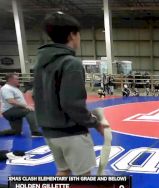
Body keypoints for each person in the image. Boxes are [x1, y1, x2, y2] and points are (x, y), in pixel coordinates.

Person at [33, 12, 107, 177]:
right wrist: (94, 122)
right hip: (71, 132)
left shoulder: (41, 62)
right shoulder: (70, 63)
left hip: (49, 130)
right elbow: (72, 103)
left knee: (63, 170)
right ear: (72, 35)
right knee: (83, 175)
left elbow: (36, 95)